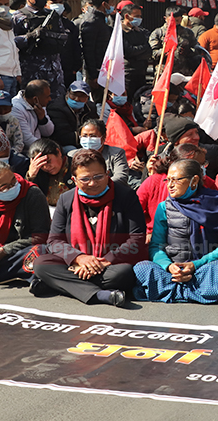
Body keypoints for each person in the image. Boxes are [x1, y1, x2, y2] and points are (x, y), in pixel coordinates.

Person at [32, 148, 146, 306]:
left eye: (98, 176)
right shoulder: (66, 199)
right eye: (85, 179)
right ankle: (100, 295)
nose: (93, 183)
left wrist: (103, 261)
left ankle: (60, 285)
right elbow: (54, 241)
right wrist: (79, 258)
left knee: (123, 273)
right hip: (77, 261)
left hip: (109, 264)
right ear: (74, 179)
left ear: (107, 173)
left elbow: (136, 240)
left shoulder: (126, 196)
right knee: (41, 264)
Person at [133, 159, 218, 303]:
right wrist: (169, 266)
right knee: (142, 268)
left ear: (194, 180)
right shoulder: (164, 207)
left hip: (203, 268)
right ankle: (196, 293)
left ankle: (172, 292)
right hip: (173, 270)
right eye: (168, 180)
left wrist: (196, 264)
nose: (170, 185)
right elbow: (156, 246)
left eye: (176, 180)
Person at [137, 143, 215, 231]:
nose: (201, 168)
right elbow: (134, 210)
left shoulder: (207, 183)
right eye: (194, 165)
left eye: (202, 164)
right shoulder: (153, 182)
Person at [12, 0, 69, 102]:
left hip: (53, 70)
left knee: (56, 103)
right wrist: (30, 36)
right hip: (30, 69)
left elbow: (63, 36)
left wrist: (48, 35)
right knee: (32, 103)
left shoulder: (52, 16)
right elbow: (12, 42)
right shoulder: (18, 17)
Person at [77, 0, 117, 102]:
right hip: (95, 71)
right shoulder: (91, 21)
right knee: (95, 101)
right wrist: (93, 75)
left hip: (103, 68)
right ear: (104, 4)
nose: (113, 6)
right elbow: (87, 50)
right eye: (112, 3)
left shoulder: (102, 19)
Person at [71, 119, 130, 185]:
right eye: (84, 136)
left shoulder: (116, 153)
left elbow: (121, 176)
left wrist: (99, 185)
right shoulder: (72, 155)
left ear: (103, 137)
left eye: (93, 136)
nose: (88, 139)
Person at [47, 81, 98, 151]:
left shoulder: (91, 108)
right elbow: (62, 137)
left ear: (87, 98)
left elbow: (96, 126)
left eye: (81, 96)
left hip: (86, 141)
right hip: (63, 145)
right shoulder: (56, 108)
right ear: (67, 93)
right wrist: (86, 136)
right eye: (74, 94)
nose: (77, 99)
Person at [25, 138, 73, 208]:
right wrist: (31, 176)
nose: (46, 167)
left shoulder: (75, 167)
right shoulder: (38, 172)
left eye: (48, 161)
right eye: (41, 165)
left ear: (58, 152)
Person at [11, 80, 54, 154]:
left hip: (37, 146)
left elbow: (49, 132)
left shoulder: (39, 104)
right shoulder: (16, 108)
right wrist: (48, 149)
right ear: (35, 99)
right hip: (23, 152)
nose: (50, 99)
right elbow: (27, 140)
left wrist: (42, 119)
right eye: (47, 97)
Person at [119, 3, 151, 103]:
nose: (139, 18)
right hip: (127, 73)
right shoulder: (120, 31)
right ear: (127, 16)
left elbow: (149, 51)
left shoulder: (140, 32)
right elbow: (129, 51)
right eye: (136, 16)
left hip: (141, 72)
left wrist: (140, 52)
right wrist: (143, 48)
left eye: (140, 16)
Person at [0, 90, 24, 155]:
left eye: (6, 109)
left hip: (11, 154)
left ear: (11, 107)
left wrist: (9, 154)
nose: (2, 112)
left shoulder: (14, 121)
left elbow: (19, 143)